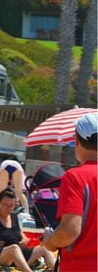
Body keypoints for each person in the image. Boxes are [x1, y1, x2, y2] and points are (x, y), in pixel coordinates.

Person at [41, 113, 98, 271]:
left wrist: (50, 241)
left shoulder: (75, 177)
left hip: (80, 266)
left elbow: (68, 231)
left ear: (77, 141)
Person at [0, 188, 54, 272]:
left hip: (18, 254)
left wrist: (24, 238)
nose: (9, 208)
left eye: (11, 205)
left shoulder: (13, 216)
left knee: (44, 248)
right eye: (5, 205)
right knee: (14, 248)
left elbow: (18, 231)